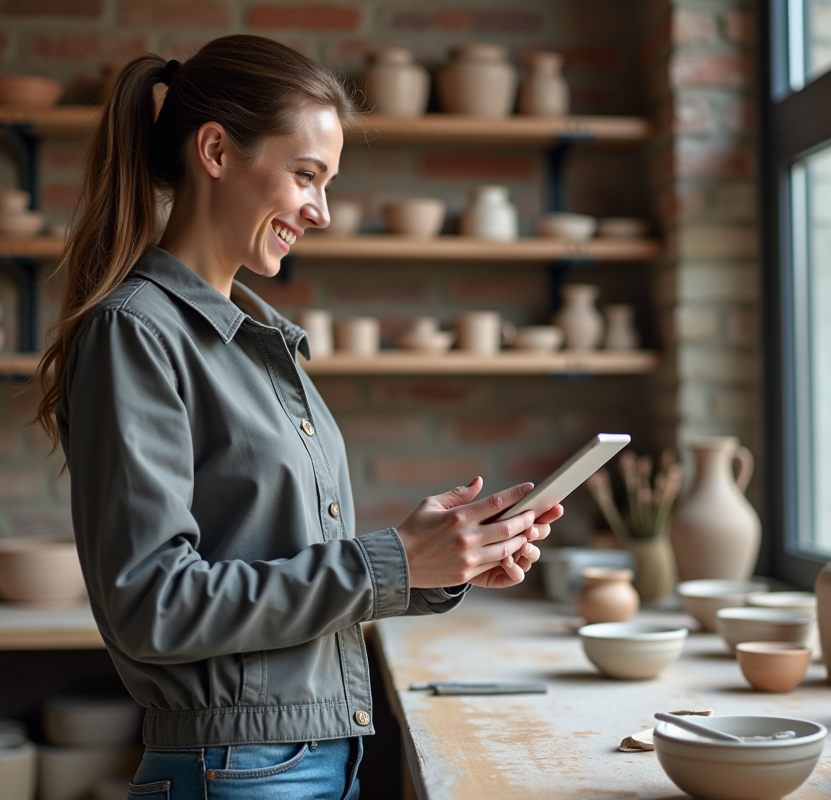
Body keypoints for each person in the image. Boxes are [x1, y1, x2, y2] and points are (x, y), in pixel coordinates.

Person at [32, 35, 562, 799]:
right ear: (215, 150)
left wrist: (444, 563)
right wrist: (392, 561)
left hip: (307, 761)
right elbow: (154, 604)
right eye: (306, 176)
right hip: (239, 772)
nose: (320, 212)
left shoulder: (254, 339)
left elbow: (276, 568)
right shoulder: (138, 332)